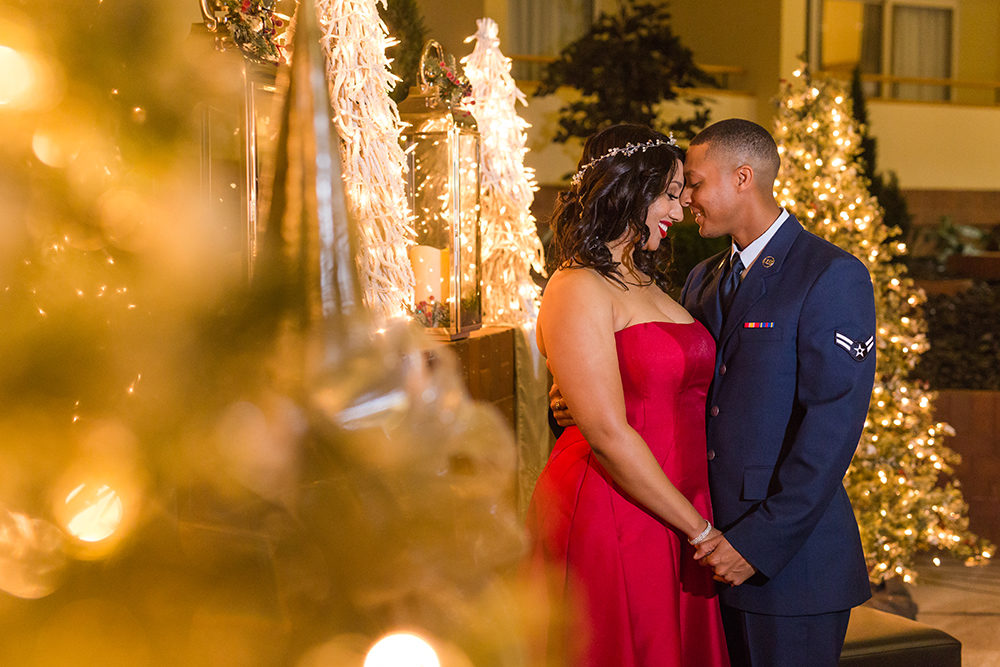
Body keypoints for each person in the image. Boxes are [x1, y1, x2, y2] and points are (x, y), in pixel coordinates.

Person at [553, 118, 877, 666]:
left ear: (743, 177)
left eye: (694, 185)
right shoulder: (701, 277)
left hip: (786, 562)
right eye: (676, 191)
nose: (685, 204)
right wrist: (580, 401)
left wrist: (756, 545)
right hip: (696, 552)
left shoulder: (831, 274)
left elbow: (830, 432)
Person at [526, 123, 730, 666]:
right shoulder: (576, 285)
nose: (680, 210)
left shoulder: (649, 281)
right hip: (617, 504)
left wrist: (695, 521)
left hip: (677, 503)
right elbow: (610, 433)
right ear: (628, 190)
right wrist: (702, 532)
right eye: (668, 193)